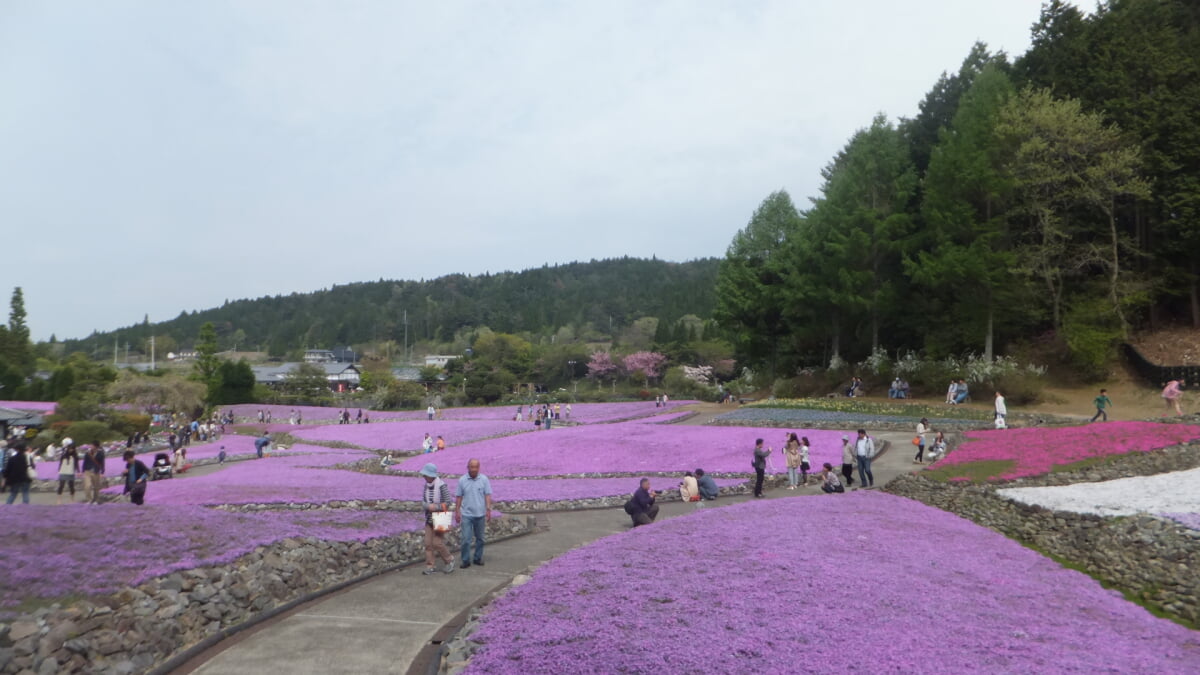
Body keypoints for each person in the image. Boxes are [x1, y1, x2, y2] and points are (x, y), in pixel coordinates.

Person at [454, 458, 493, 568]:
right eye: (472, 467)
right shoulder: (462, 480)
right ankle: (465, 560)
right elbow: (459, 496)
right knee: (466, 539)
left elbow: (487, 494)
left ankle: (477, 558)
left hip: (480, 514)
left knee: (480, 538)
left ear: (479, 468)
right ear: (468, 467)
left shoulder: (484, 479)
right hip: (467, 514)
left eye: (476, 467)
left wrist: (488, 509)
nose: (474, 469)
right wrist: (457, 511)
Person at [419, 463, 455, 575]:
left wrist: (435, 507)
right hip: (429, 519)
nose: (424, 477)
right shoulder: (426, 486)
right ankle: (430, 566)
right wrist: (427, 506)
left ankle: (449, 560)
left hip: (440, 518)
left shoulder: (441, 486)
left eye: (426, 475)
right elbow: (424, 501)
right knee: (428, 543)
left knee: (437, 543)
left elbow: (448, 502)